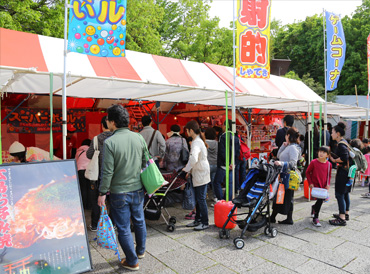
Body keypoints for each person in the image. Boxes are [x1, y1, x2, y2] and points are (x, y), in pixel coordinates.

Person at [97, 105, 147, 271]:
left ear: (112, 122)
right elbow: (145, 162)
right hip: (138, 188)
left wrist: (102, 192)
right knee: (139, 221)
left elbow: (107, 171)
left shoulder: (109, 142)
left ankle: (132, 261)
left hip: (119, 192)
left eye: (107, 120)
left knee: (124, 227)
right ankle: (140, 252)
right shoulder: (139, 138)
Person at [86, 116, 113, 231]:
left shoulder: (96, 139)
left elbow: (89, 154)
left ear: (102, 125)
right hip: (113, 175)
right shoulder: (116, 138)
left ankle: (95, 225)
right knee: (113, 202)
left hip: (98, 176)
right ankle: (113, 224)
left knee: (97, 201)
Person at [183, 120, 211, 231]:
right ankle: (198, 220)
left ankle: (204, 222)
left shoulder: (196, 142)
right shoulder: (198, 141)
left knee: (201, 199)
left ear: (190, 130)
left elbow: (193, 158)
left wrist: (187, 169)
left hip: (200, 173)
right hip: (201, 172)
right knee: (200, 199)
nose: (186, 132)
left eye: (187, 130)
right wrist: (188, 169)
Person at [270, 127, 301, 225]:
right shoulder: (290, 146)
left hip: (287, 176)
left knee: (284, 196)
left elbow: (293, 163)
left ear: (288, 136)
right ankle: (277, 217)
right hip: (283, 175)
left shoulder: (293, 148)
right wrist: (283, 146)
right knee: (283, 196)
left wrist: (282, 163)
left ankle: (278, 217)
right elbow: (279, 155)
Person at [212, 120, 240, 202]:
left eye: (223, 125)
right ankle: (228, 200)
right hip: (232, 164)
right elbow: (237, 151)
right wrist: (233, 163)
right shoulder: (235, 137)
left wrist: (227, 163)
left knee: (217, 182)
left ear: (225, 126)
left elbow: (222, 151)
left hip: (224, 164)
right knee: (229, 184)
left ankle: (221, 200)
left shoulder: (223, 136)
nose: (222, 127)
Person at [329, 122, 350, 226]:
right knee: (345, 193)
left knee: (339, 194)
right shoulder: (344, 142)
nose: (331, 134)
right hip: (347, 172)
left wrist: (333, 159)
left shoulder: (341, 144)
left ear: (337, 133)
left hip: (343, 173)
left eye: (332, 132)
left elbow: (344, 158)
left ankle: (342, 218)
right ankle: (345, 214)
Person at [306, 146, 332, 227]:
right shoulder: (314, 162)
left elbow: (329, 175)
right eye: (320, 151)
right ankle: (316, 217)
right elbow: (307, 172)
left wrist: (328, 184)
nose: (321, 154)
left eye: (324, 152)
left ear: (327, 155)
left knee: (320, 201)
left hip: (323, 185)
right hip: (315, 184)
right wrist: (310, 182)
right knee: (320, 200)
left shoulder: (329, 164)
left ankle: (315, 214)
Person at [75, 139, 92, 210]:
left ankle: (83, 205)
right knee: (90, 188)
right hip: (89, 170)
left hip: (80, 170)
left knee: (83, 188)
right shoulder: (91, 151)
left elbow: (76, 161)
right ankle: (89, 205)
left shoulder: (78, 151)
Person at [205, 127, 218, 202]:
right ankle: (215, 196)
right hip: (215, 164)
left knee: (206, 181)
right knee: (214, 182)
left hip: (207, 164)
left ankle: (205, 195)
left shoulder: (204, 142)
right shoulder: (217, 143)